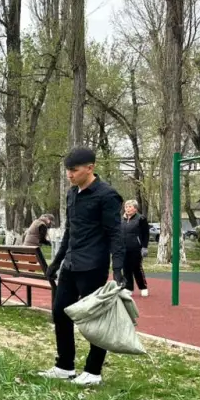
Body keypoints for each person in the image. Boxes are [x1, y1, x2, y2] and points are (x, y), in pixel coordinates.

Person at [40, 147, 125, 386]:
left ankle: (93, 371)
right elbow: (70, 231)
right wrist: (56, 262)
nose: (70, 175)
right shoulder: (72, 194)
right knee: (60, 312)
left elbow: (115, 235)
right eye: (67, 170)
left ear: (90, 168)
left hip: (93, 266)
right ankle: (65, 366)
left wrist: (118, 270)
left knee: (94, 320)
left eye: (74, 170)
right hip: (71, 264)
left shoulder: (107, 196)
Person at [120, 200, 149, 296]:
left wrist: (144, 247)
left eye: (130, 207)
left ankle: (143, 287)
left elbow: (146, 234)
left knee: (136, 268)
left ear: (135, 209)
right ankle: (128, 288)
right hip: (124, 248)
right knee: (126, 268)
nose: (127, 209)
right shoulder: (121, 219)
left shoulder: (141, 219)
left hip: (136, 248)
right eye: (126, 207)